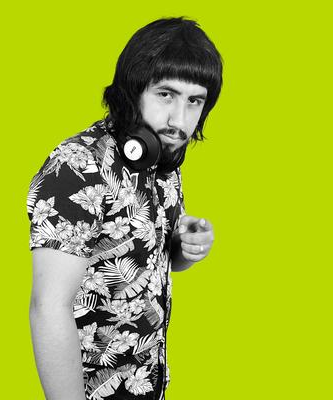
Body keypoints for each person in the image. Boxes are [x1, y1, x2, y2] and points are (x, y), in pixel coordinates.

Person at [27, 16, 223, 400]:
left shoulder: (161, 160)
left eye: (194, 101)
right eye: (165, 94)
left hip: (148, 385)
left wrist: (184, 250)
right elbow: (48, 308)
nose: (179, 120)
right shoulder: (76, 168)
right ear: (133, 90)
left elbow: (146, 262)